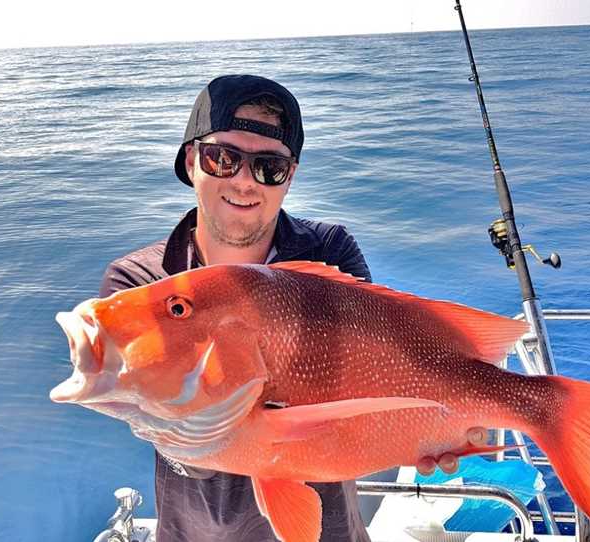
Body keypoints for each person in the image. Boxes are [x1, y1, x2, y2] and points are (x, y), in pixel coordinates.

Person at [99, 74, 474, 542]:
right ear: (192, 160)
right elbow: (173, 436)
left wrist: (418, 431)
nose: (243, 181)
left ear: (289, 176)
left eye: (269, 167)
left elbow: (377, 377)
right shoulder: (143, 284)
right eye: (223, 157)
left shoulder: (330, 251)